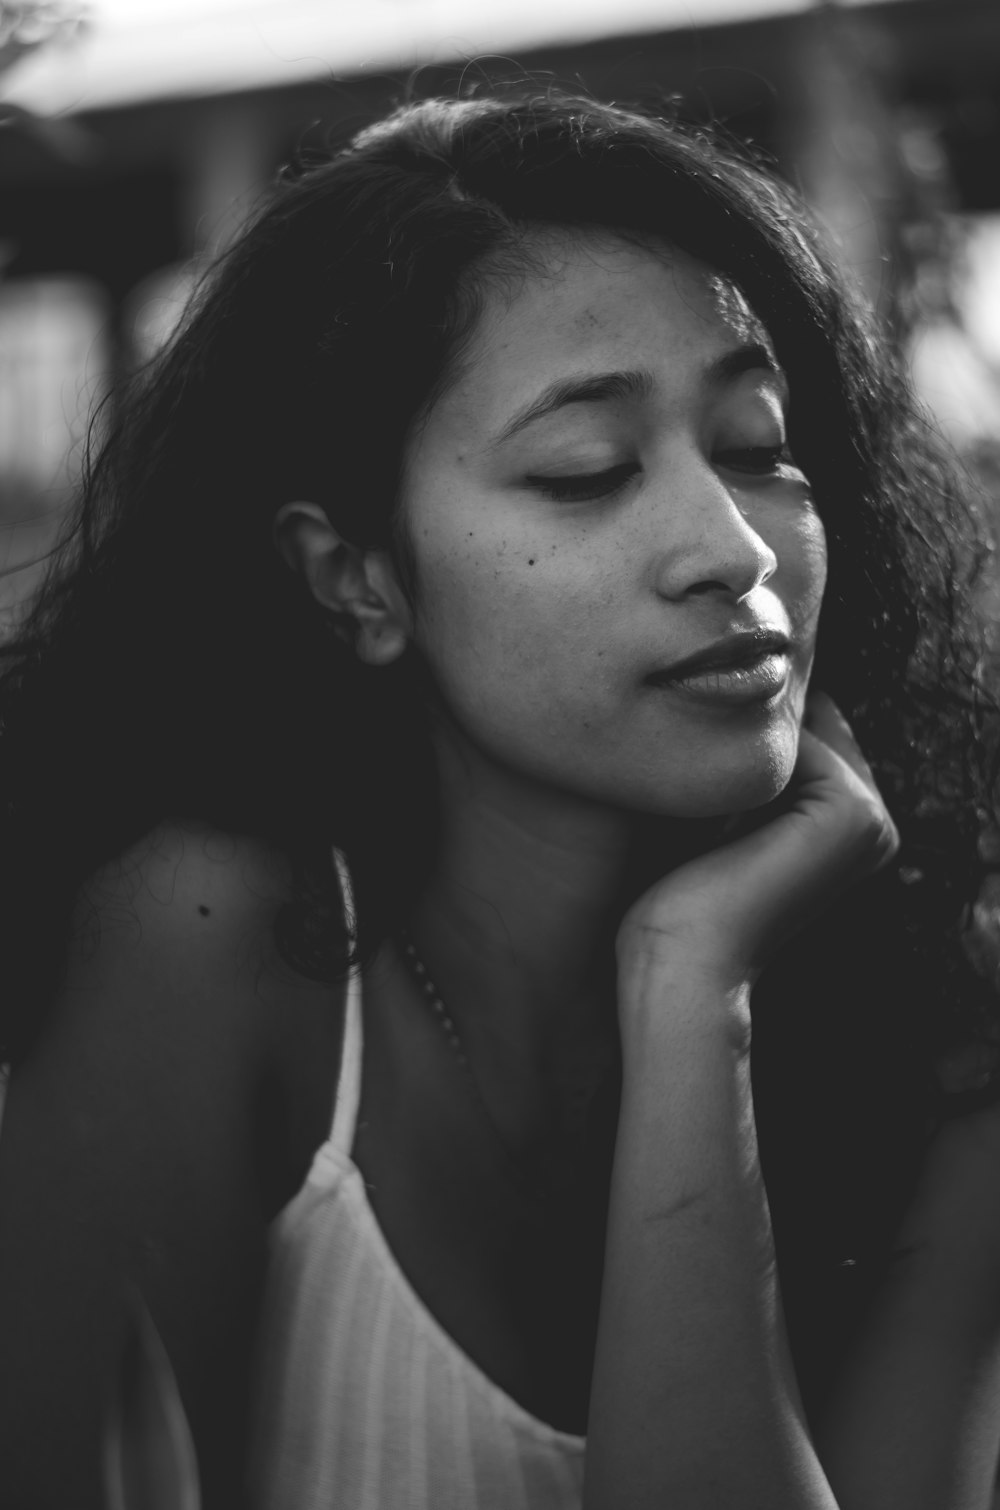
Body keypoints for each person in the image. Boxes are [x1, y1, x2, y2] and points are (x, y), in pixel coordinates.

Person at [0, 84, 999, 1510]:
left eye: (757, 444)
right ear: (356, 578)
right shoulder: (213, 942)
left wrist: (692, 988)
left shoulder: (944, 1043)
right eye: (586, 471)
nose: (733, 548)